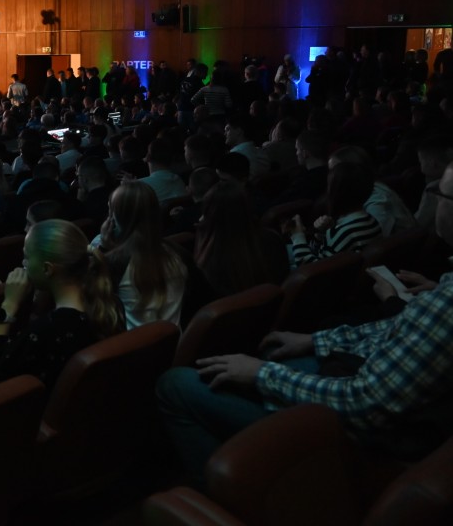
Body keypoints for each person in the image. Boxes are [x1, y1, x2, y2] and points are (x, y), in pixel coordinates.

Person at [157, 159, 453, 485]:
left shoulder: (446, 304)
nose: (434, 197)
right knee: (271, 355)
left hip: (363, 427)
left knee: (174, 384)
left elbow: (364, 403)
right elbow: (391, 328)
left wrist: (261, 373)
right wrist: (314, 340)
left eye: (440, 193)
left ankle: (228, 491)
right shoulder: (443, 291)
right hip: (364, 372)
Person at [0, 219, 124, 388]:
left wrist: (9, 305)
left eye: (26, 257)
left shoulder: (46, 330)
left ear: (47, 269)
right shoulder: (112, 305)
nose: (23, 264)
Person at [94, 181, 188, 329]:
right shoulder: (178, 252)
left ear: (114, 220)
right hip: (177, 339)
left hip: (134, 342)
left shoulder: (113, 262)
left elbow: (94, 301)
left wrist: (104, 249)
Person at [287, 161, 381, 268]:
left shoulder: (342, 232)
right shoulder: (373, 221)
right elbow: (326, 252)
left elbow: (311, 267)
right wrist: (322, 235)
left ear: (336, 193)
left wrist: (297, 235)